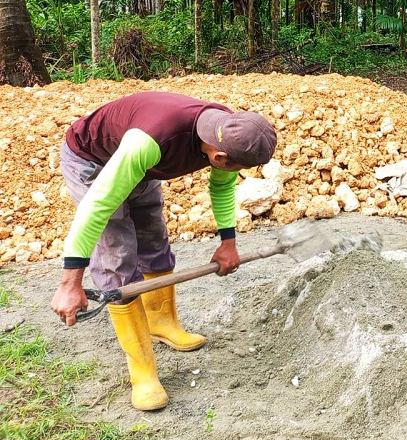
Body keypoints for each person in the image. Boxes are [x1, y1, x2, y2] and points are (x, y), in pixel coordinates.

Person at [50, 93, 278, 410]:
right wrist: (69, 283)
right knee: (116, 253)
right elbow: (96, 208)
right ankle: (142, 371)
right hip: (92, 160)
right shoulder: (151, 141)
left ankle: (161, 323)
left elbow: (223, 186)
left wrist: (228, 242)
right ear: (220, 157)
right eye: (238, 167)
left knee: (154, 238)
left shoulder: (228, 129)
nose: (234, 171)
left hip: (143, 167)